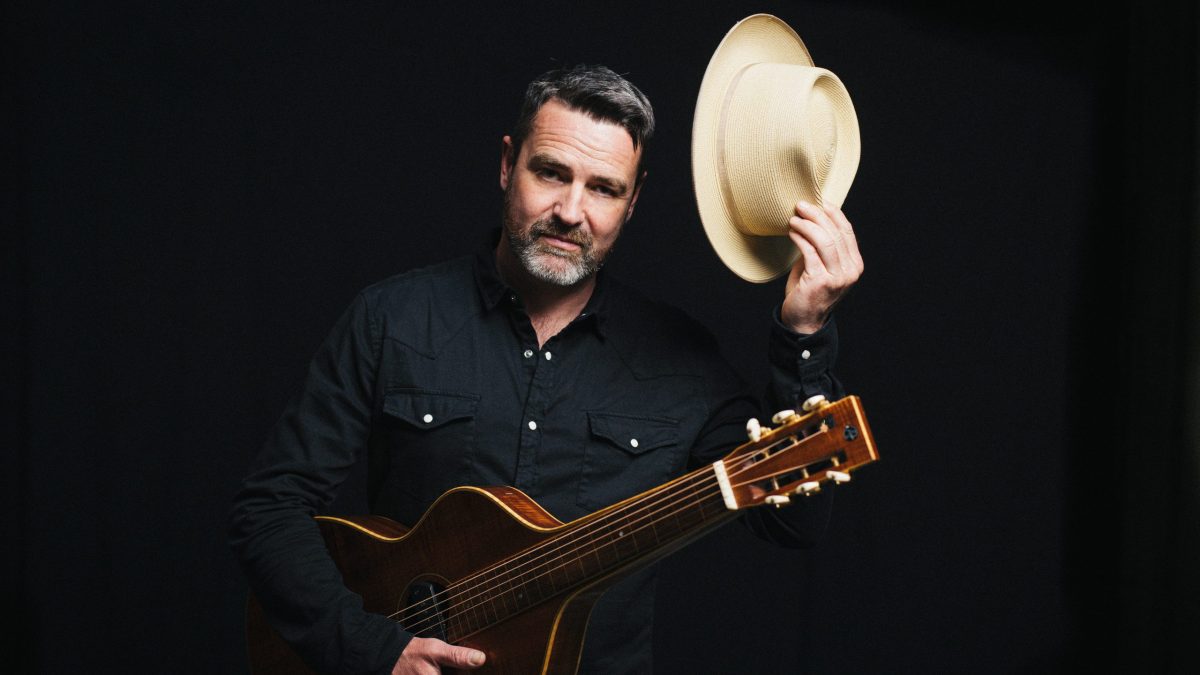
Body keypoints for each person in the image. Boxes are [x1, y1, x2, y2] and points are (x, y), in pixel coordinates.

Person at [229, 63, 862, 675]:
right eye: (551, 173)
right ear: (508, 165)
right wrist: (371, 649)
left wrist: (804, 332)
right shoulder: (391, 318)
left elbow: (792, 519)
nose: (570, 211)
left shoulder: (684, 362)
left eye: (604, 188)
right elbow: (271, 506)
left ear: (633, 201)